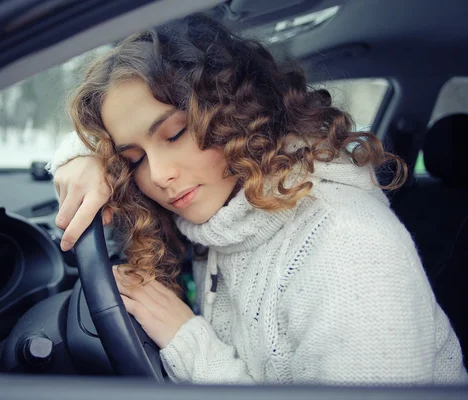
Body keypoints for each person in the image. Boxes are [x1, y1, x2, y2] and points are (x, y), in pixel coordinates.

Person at [46, 13, 468, 385]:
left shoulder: (349, 249)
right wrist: (82, 159)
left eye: (175, 134)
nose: (158, 175)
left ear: (238, 113)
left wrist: (187, 342)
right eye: (132, 159)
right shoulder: (227, 210)